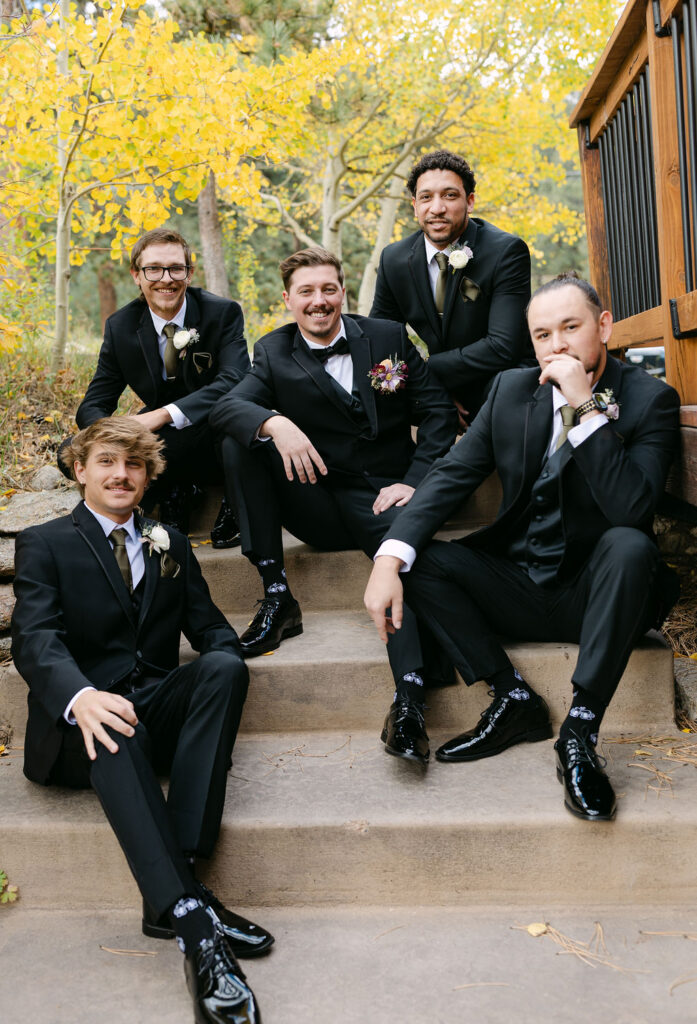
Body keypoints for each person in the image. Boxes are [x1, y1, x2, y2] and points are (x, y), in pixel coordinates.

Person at [364, 273, 680, 820]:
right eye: (541, 335)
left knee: (630, 545)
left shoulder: (650, 400)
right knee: (421, 558)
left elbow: (632, 509)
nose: (555, 346)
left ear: (603, 327)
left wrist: (585, 408)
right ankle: (512, 697)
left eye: (570, 328)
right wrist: (389, 557)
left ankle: (579, 734)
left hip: (599, 597)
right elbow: (451, 476)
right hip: (519, 584)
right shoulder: (511, 390)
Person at [13, 417, 270, 1023]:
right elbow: (35, 639)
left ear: (149, 476)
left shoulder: (169, 541)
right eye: (106, 461)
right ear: (81, 470)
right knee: (109, 715)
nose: (120, 474)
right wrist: (80, 695)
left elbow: (208, 630)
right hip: (78, 731)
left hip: (150, 710)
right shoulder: (45, 542)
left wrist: (229, 656)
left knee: (223, 670)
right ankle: (190, 922)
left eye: (132, 465)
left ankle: (174, 883)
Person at [210, 246, 457, 733]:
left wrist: (413, 482)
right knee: (238, 443)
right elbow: (227, 407)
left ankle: (409, 701)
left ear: (342, 292)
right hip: (316, 501)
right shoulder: (273, 351)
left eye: (328, 289)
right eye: (306, 292)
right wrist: (275, 422)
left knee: (404, 564)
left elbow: (437, 414)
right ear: (288, 299)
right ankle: (277, 594)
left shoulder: (386, 336)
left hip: (387, 496)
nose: (319, 301)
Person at [68, 227, 251, 544]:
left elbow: (234, 379)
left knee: (217, 432)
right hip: (161, 437)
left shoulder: (222, 313)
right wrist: (112, 433)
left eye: (175, 268)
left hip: (213, 427)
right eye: (153, 268)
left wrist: (160, 416)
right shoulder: (121, 326)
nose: (166, 278)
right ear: (136, 275)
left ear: (189, 273)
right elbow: (95, 401)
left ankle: (191, 493)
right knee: (67, 452)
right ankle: (174, 491)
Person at [370, 149, 534, 425]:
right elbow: (381, 338)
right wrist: (430, 391)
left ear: (470, 202)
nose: (437, 208)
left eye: (449, 195)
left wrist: (422, 371)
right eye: (426, 197)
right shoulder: (394, 259)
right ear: (414, 206)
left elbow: (503, 347)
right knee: (378, 391)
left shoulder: (506, 251)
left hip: (501, 384)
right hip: (436, 388)